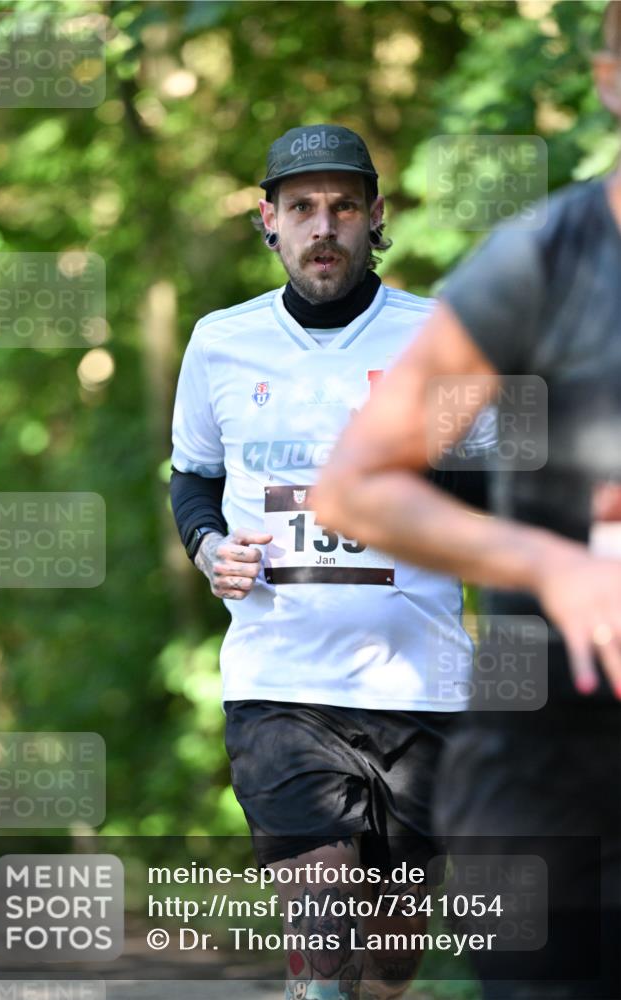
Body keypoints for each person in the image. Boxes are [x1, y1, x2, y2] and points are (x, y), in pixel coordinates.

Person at [314, 5, 621, 998]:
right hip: (550, 787)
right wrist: (552, 562)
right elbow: (356, 483)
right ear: (611, 80)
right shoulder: (542, 264)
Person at [169, 124, 492, 1000]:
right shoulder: (219, 342)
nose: (323, 226)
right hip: (280, 686)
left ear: (374, 216)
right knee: (325, 942)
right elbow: (193, 478)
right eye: (301, 207)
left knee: (386, 970)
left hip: (421, 690)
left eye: (343, 206)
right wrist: (206, 549)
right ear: (266, 221)